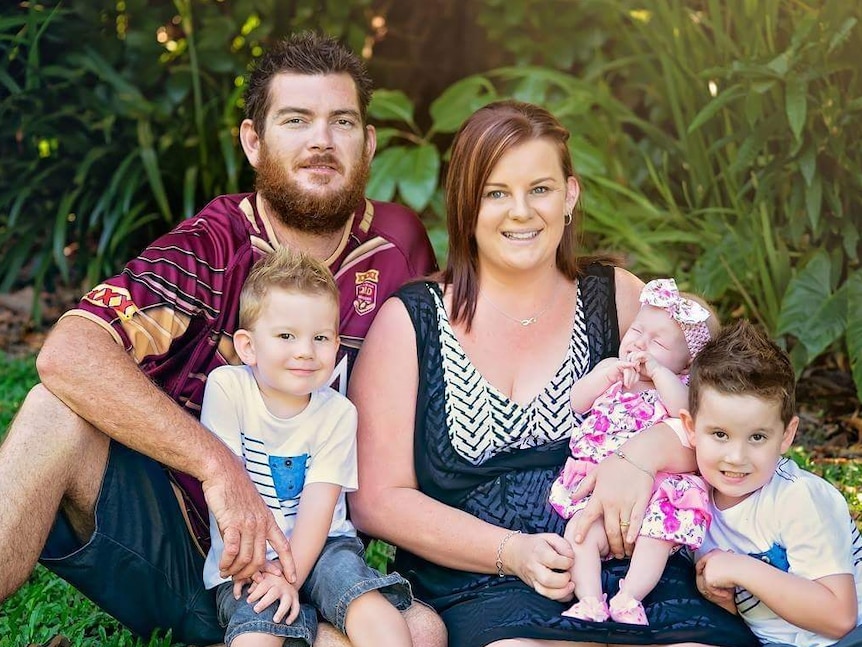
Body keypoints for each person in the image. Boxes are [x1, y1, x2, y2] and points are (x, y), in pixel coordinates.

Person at [0, 32, 444, 647]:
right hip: (191, 546)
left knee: (420, 631)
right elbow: (69, 353)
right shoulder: (212, 243)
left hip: (325, 554)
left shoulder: (400, 244)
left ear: (368, 143)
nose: (321, 140)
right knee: (53, 410)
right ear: (253, 141)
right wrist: (219, 468)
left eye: (342, 121)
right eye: (296, 120)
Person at [348, 98, 758, 646]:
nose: (521, 211)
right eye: (496, 193)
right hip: (482, 580)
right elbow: (377, 500)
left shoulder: (621, 300)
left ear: (569, 195)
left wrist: (641, 458)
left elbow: (725, 426)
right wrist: (511, 553)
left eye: (539, 189)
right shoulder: (412, 321)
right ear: (466, 206)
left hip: (641, 571)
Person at [201, 248, 412, 647]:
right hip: (250, 556)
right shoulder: (228, 389)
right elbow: (227, 489)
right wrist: (271, 573)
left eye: (319, 338)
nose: (305, 351)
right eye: (286, 336)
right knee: (256, 631)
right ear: (247, 347)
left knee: (370, 610)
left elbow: (318, 509)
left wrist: (289, 575)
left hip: (325, 544)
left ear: (336, 345)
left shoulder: (338, 413)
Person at [681, 320, 862, 647]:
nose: (736, 457)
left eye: (757, 437)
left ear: (787, 435)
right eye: (720, 434)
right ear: (691, 428)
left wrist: (738, 568)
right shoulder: (692, 495)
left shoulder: (798, 499)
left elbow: (840, 618)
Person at [548, 278, 718, 624]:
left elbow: (685, 413)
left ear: (686, 366)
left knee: (656, 540)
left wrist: (657, 374)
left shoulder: (678, 386)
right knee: (579, 534)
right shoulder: (610, 370)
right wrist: (606, 375)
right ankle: (591, 599)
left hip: (656, 491)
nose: (640, 344)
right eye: (637, 331)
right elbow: (577, 401)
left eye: (657, 343)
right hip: (599, 484)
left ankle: (629, 597)